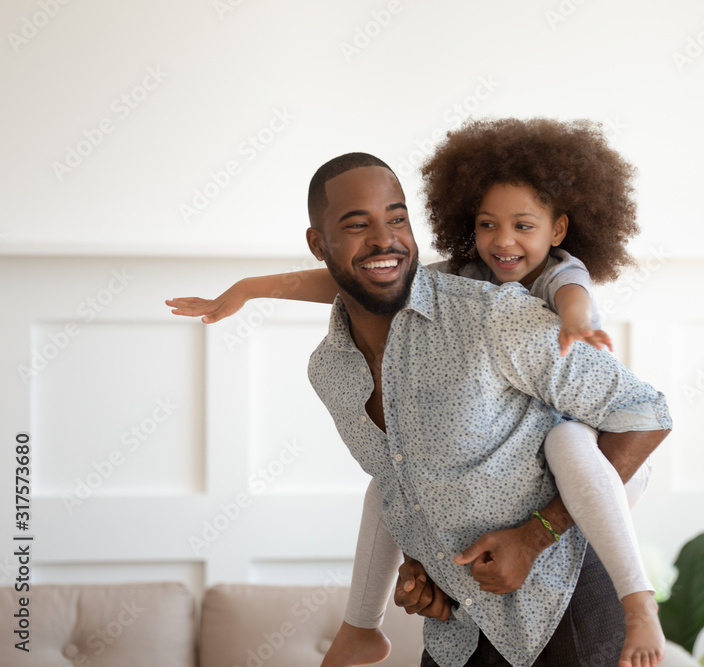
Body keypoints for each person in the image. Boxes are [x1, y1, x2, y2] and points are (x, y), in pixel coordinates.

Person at [167, 122, 669, 667]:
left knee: (570, 442)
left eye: (397, 219)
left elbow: (646, 414)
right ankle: (359, 630)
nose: (384, 239)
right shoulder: (330, 370)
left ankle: (641, 603)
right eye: (357, 225)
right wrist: (420, 564)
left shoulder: (493, 312)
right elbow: (404, 484)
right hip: (457, 629)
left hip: (566, 606)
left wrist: (533, 538)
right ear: (318, 244)